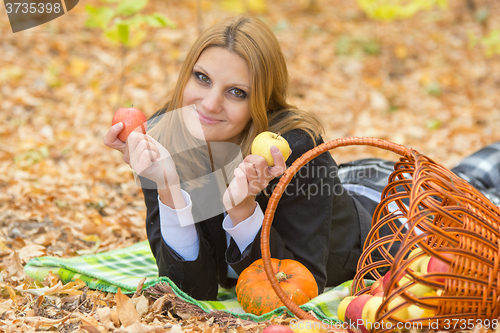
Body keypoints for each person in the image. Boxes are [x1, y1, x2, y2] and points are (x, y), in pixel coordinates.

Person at [104, 14, 500, 301]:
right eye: (202, 78)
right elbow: (192, 289)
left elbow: (297, 284)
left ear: (260, 100)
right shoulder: (161, 138)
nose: (209, 103)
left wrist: (243, 210)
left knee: (476, 198)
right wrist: (168, 186)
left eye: (236, 92)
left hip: (389, 218)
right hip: (347, 183)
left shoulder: (293, 147)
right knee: (472, 174)